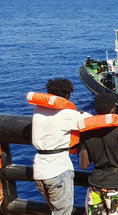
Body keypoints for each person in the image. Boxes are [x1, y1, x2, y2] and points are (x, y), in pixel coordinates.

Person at [28, 78, 92, 214]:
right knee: (63, 211)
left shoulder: (37, 109)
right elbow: (91, 122)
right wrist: (81, 113)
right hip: (57, 170)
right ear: (67, 96)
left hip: (39, 170)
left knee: (55, 209)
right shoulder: (68, 114)